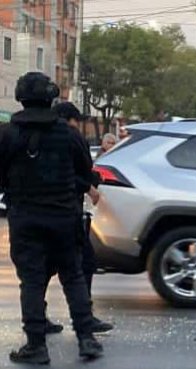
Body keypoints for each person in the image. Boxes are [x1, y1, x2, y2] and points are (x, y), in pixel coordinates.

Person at [0, 72, 103, 364]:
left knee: (31, 281)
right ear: (50, 97)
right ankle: (86, 339)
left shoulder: (7, 134)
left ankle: (36, 345)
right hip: (64, 218)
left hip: (25, 218)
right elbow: (86, 174)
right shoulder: (69, 134)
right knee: (73, 276)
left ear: (20, 98)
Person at [50, 101, 114, 334]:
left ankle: (38, 321)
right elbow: (76, 173)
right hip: (68, 214)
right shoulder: (71, 139)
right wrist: (91, 184)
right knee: (83, 264)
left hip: (39, 216)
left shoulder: (38, 138)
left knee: (42, 271)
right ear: (72, 120)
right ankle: (84, 324)